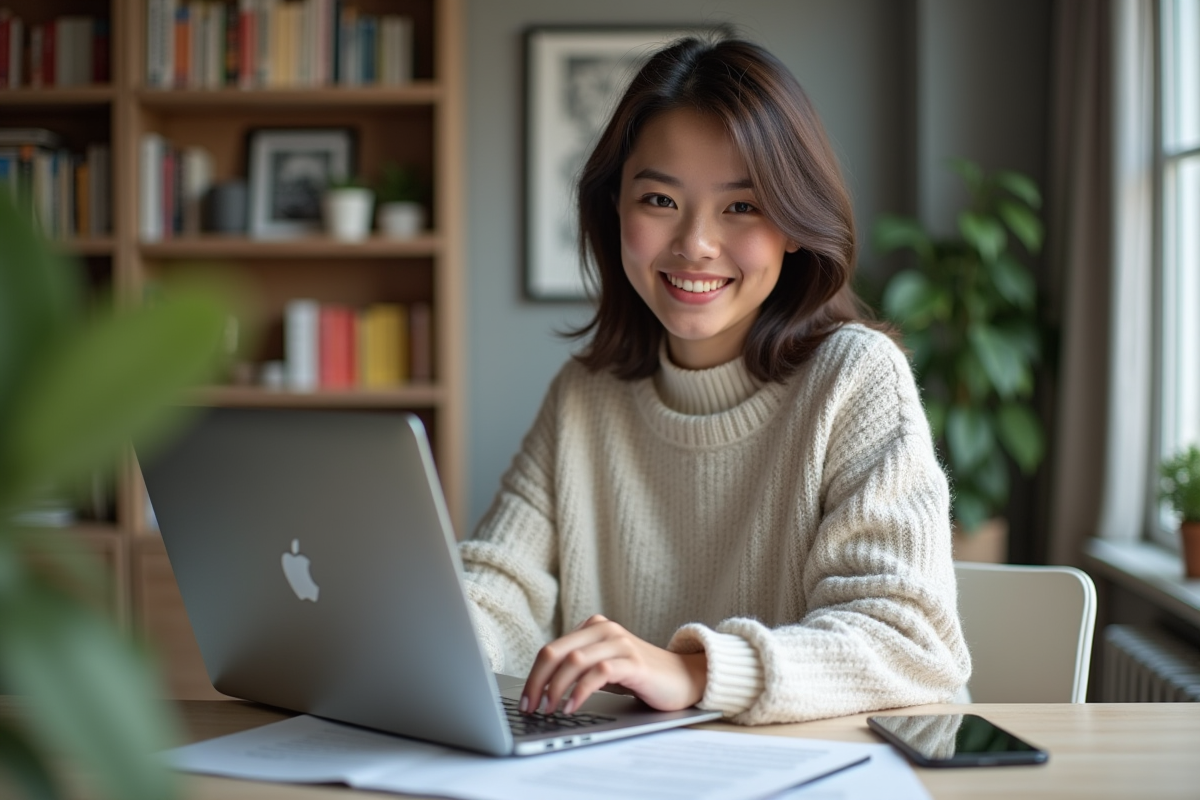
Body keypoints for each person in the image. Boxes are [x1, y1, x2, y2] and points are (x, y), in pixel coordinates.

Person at [460, 36, 971, 725]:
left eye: (741, 206)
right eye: (659, 199)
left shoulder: (855, 378)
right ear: (616, 208)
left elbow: (910, 642)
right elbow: (501, 585)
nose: (695, 243)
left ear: (794, 223)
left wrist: (695, 671)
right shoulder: (586, 395)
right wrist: (433, 639)